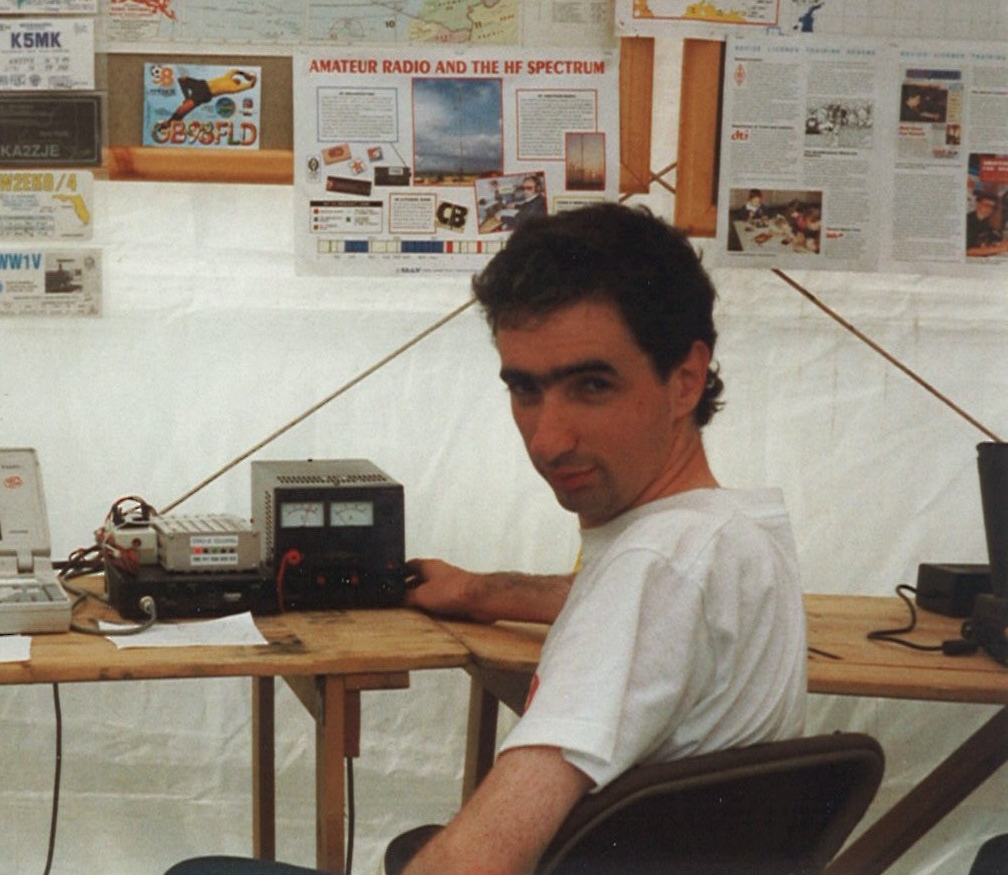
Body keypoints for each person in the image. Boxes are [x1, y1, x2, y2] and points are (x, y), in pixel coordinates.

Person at [166, 203, 807, 875]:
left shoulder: (654, 568)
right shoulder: (735, 533)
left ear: (685, 380)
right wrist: (479, 592)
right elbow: (611, 598)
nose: (548, 440)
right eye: (525, 389)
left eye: (592, 385)